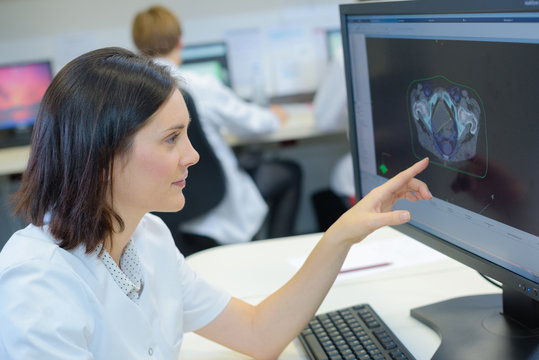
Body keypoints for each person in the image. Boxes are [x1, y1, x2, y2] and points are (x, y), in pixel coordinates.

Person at [0, 47, 432, 359]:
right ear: (102, 158)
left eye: (187, 133)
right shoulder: (36, 286)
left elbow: (258, 333)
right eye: (171, 139)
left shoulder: (147, 238)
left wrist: (342, 233)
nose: (193, 155)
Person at [132, 5, 302, 255]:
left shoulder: (131, 93)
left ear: (138, 45)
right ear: (180, 41)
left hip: (169, 208)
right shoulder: (199, 85)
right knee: (291, 172)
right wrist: (273, 116)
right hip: (220, 205)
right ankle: (277, 253)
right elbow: (254, 124)